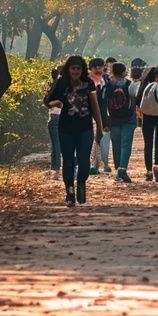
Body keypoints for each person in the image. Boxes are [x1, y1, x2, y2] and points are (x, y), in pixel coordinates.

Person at [44, 55, 104, 206]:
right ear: (68, 69)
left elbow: (95, 106)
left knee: (84, 162)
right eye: (73, 68)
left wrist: (99, 127)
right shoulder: (61, 83)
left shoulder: (88, 83)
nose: (76, 71)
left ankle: (81, 183)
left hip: (85, 128)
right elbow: (47, 101)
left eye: (78, 68)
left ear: (82, 69)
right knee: (68, 161)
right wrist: (55, 103)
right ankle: (69, 191)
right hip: (66, 128)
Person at [100, 62, 138, 182]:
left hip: (113, 119)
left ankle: (118, 169)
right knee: (125, 145)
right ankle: (122, 170)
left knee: (116, 145)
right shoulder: (129, 84)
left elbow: (103, 104)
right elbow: (135, 100)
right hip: (128, 118)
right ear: (123, 72)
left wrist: (104, 122)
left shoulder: (107, 85)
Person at [88, 58, 112, 174]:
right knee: (90, 140)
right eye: (95, 67)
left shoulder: (107, 81)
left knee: (99, 140)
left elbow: (108, 101)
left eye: (100, 67)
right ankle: (91, 164)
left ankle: (98, 164)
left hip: (102, 115)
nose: (98, 70)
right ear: (90, 69)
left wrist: (106, 121)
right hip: (87, 115)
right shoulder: (85, 81)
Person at [45, 67, 62, 179]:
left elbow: (46, 102)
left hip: (54, 117)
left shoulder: (52, 88)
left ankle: (55, 169)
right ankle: (55, 169)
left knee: (55, 145)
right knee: (58, 145)